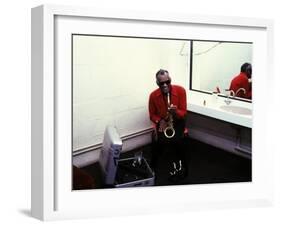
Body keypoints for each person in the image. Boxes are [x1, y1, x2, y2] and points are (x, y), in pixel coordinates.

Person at [148, 69, 189, 182]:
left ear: (170, 80)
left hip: (178, 121)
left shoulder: (181, 91)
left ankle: (181, 167)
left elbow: (184, 112)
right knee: (160, 142)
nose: (165, 85)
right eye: (162, 83)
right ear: (157, 83)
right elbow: (152, 115)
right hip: (163, 121)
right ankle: (155, 168)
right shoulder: (153, 96)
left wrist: (175, 112)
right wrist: (159, 121)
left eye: (168, 81)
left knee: (177, 142)